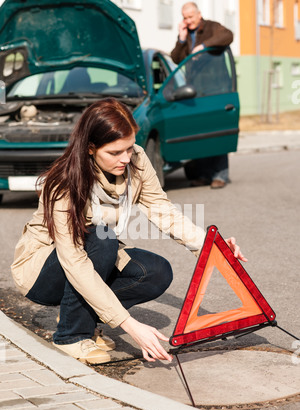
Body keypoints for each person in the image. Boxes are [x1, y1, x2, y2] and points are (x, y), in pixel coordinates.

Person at [11, 98, 247, 365]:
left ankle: (77, 314)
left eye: (129, 148)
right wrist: (130, 325)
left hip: (95, 250)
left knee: (155, 272)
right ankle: (71, 334)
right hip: (43, 270)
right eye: (115, 153)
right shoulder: (64, 183)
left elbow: (161, 208)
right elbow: (73, 261)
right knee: (103, 238)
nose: (125, 158)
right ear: (90, 148)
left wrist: (210, 246)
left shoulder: (135, 159)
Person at [171, 2, 234, 189]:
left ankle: (220, 175)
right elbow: (176, 58)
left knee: (217, 132)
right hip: (195, 91)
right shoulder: (186, 34)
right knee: (200, 133)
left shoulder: (212, 27)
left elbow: (228, 36)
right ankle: (204, 175)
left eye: (191, 16)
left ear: (199, 14)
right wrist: (181, 39)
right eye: (185, 17)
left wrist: (203, 46)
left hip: (216, 89)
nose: (188, 20)